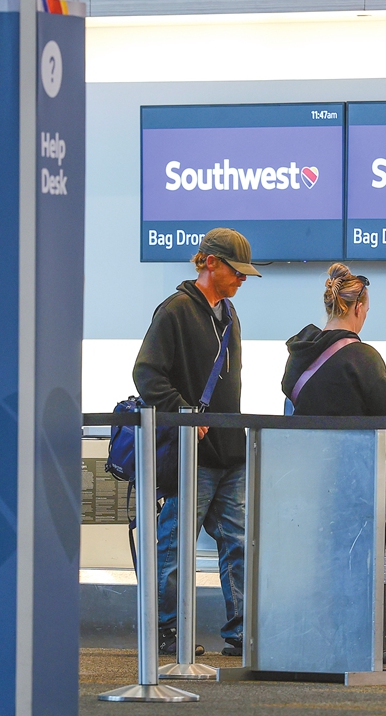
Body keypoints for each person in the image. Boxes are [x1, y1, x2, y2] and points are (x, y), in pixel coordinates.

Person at [132, 228, 260, 657]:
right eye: (235, 270)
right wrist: (184, 413)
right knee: (174, 543)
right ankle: (165, 631)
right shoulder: (174, 312)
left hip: (231, 451)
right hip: (193, 455)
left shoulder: (228, 314)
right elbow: (146, 375)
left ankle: (241, 632)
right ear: (209, 262)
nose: (242, 279)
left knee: (239, 542)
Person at [281, 263, 386, 416]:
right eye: (366, 311)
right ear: (358, 308)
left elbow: (289, 389)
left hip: (303, 440)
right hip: (351, 440)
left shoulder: (301, 349)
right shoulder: (363, 356)